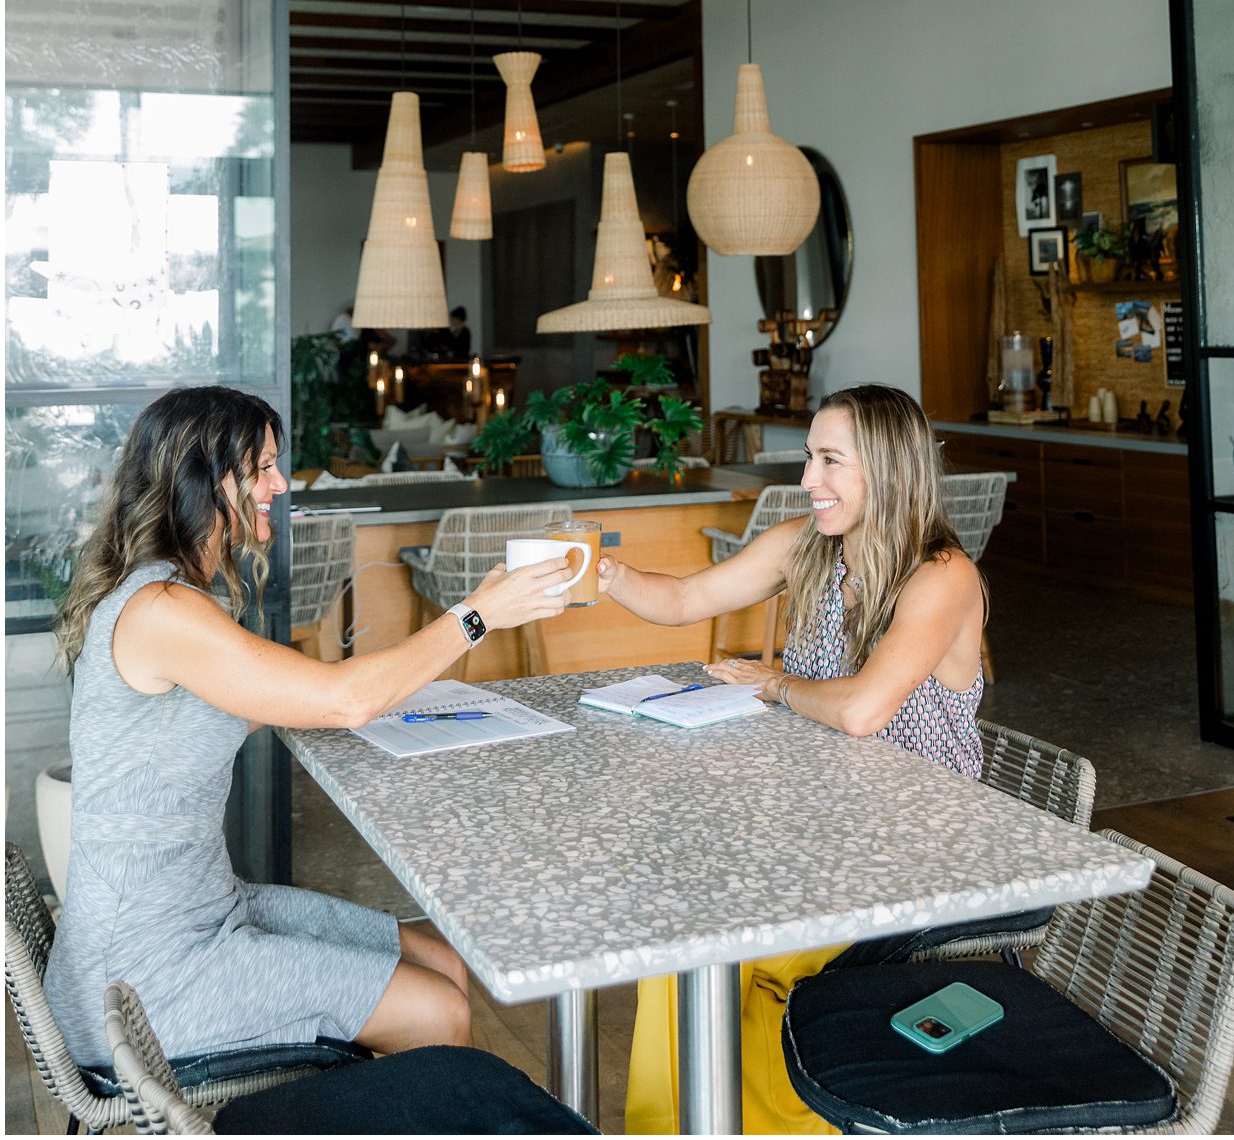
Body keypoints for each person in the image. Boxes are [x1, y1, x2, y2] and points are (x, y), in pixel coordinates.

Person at [45, 385, 572, 1070]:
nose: (279, 482)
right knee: (438, 1009)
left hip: (205, 910)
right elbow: (342, 700)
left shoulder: (167, 596)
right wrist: (475, 616)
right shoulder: (160, 609)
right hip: (141, 975)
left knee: (442, 960)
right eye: (261, 465)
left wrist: (401, 688)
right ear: (206, 477)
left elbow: (297, 697)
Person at [595, 384, 988, 1136]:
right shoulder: (806, 547)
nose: (808, 478)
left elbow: (862, 710)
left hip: (914, 848)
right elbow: (681, 599)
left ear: (888, 469)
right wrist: (605, 572)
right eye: (811, 456)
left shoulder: (941, 575)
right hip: (820, 827)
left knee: (744, 961)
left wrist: (773, 682)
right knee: (671, 942)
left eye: (829, 459)